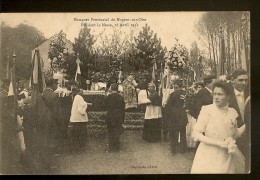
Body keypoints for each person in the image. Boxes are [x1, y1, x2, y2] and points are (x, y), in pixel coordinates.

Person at [191, 80, 245, 173]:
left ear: (228, 96)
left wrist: (247, 125)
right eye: (214, 94)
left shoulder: (232, 112)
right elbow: (196, 134)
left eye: (220, 94)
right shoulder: (207, 110)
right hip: (208, 154)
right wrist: (218, 143)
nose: (216, 97)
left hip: (227, 154)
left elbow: (235, 134)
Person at [35, 78, 65, 173]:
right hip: (51, 124)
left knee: (43, 144)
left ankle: (43, 166)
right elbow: (58, 113)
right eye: (56, 83)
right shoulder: (54, 96)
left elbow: (35, 111)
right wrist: (62, 126)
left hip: (41, 124)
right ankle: (49, 166)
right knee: (50, 145)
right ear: (52, 84)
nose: (56, 85)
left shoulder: (39, 96)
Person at [228, 68, 249, 160]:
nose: (244, 83)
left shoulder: (250, 93)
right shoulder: (226, 96)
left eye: (246, 80)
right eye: (240, 80)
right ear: (232, 80)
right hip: (233, 136)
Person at [166, 79, 188, 154]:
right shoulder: (185, 93)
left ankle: (173, 149)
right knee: (182, 132)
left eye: (174, 84)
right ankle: (183, 149)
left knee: (174, 132)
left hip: (174, 115)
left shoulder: (173, 94)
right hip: (182, 114)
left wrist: (167, 112)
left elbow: (168, 105)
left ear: (176, 85)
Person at [69, 88, 91, 152]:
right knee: (81, 133)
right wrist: (88, 104)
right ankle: (81, 147)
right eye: (82, 91)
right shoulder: (79, 97)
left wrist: (86, 104)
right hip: (79, 119)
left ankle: (76, 147)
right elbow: (82, 106)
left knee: (76, 133)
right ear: (79, 92)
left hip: (75, 118)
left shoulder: (76, 97)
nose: (83, 93)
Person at [105, 83, 125, 152]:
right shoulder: (121, 97)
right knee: (117, 132)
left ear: (111, 89)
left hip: (110, 116)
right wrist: (123, 119)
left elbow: (105, 106)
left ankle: (110, 148)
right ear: (117, 89)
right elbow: (123, 109)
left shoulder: (108, 97)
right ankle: (117, 148)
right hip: (118, 116)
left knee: (110, 132)